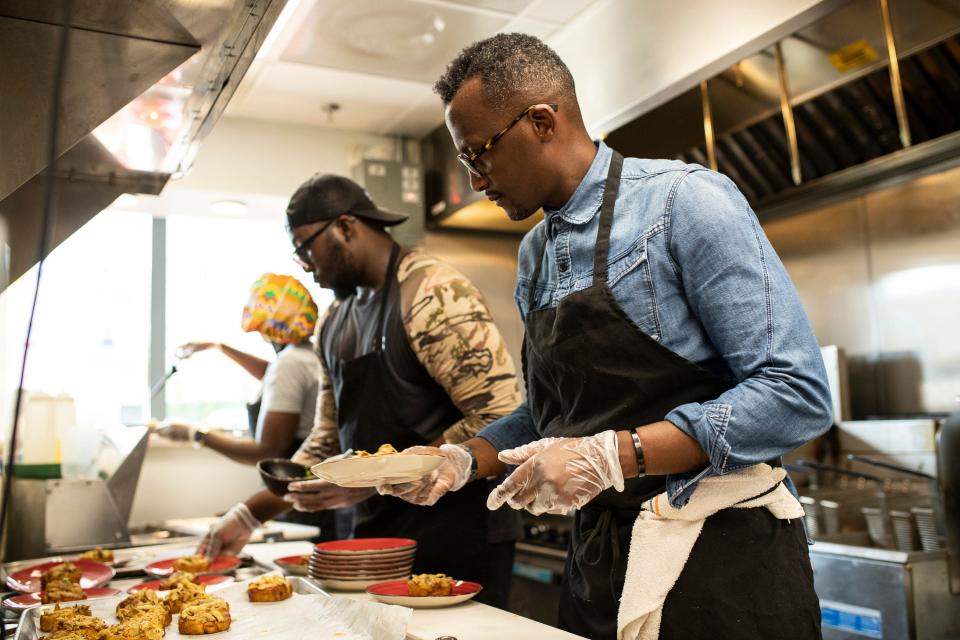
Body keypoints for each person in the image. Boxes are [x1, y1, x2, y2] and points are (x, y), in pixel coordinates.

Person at [379, 34, 833, 639]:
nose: (474, 178)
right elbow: (550, 417)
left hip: (723, 566)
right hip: (601, 564)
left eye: (479, 153)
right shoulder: (535, 255)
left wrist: (613, 454)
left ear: (542, 121)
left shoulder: (684, 203)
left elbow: (795, 394)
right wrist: (461, 460)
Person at [198, 175, 523, 608]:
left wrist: (377, 480)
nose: (306, 265)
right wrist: (249, 514)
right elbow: (328, 439)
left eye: (305, 249)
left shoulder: (430, 293)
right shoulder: (334, 321)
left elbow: (499, 417)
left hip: (457, 533)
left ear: (346, 227)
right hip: (375, 532)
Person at [156, 274, 320, 464]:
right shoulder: (308, 355)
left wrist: (195, 433)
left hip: (295, 480)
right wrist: (217, 346)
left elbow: (267, 452)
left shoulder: (290, 363)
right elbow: (272, 375)